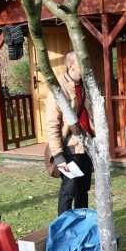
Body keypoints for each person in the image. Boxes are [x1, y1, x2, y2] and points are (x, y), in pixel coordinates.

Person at [45, 51, 95, 216]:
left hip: (86, 146)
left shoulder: (87, 86)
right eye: (81, 62)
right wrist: (58, 156)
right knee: (69, 190)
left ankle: (81, 224)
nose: (85, 65)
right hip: (69, 148)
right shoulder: (58, 90)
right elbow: (52, 125)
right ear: (71, 65)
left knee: (83, 189)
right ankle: (63, 226)